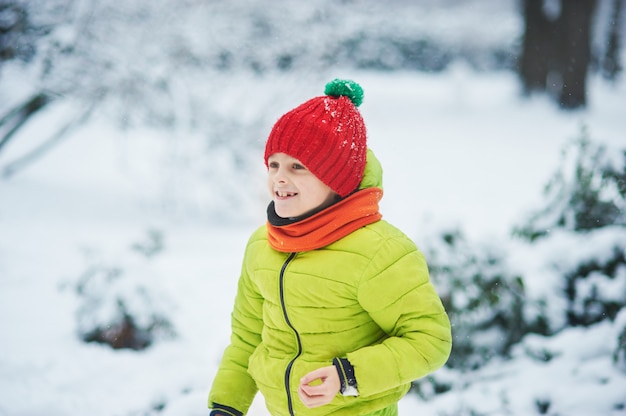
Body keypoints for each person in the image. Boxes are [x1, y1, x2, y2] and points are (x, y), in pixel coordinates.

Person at [208, 79, 452, 416]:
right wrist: (226, 406)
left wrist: (347, 376)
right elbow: (248, 338)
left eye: (298, 167)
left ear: (335, 181)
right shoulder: (262, 246)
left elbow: (429, 339)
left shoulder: (380, 252)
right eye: (274, 164)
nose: (280, 178)